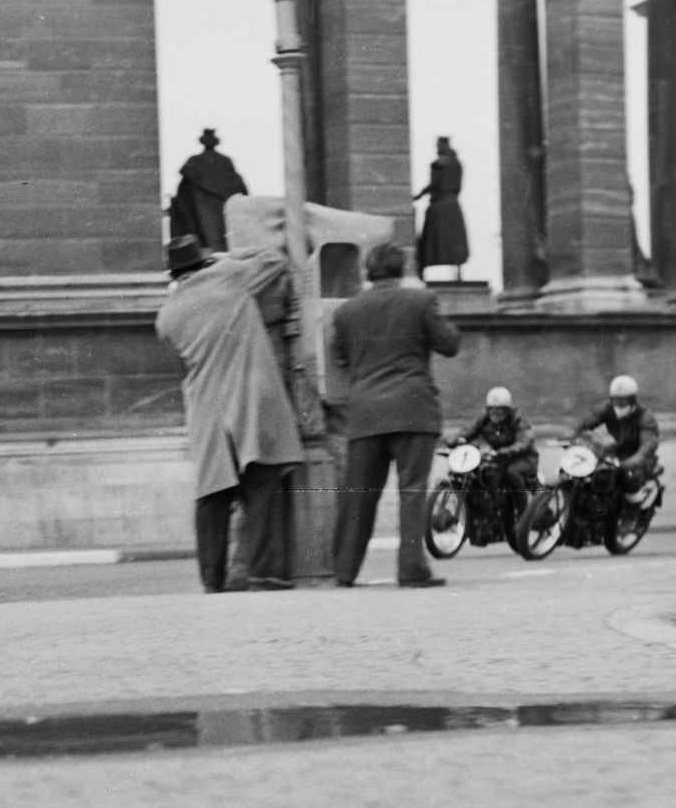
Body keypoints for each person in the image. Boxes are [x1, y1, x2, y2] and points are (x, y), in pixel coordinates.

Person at [155, 233, 305, 593]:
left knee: (212, 494)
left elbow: (177, 346)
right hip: (249, 396)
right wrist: (223, 255)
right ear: (202, 261)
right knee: (262, 484)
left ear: (175, 274)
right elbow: (273, 258)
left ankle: (212, 580)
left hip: (206, 404)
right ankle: (265, 573)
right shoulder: (230, 275)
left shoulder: (167, 315)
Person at [331, 242, 462, 587]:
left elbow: (340, 357)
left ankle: (344, 570)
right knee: (412, 490)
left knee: (358, 493)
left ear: (368, 272)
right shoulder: (421, 301)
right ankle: (411, 569)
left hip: (365, 413)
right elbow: (449, 344)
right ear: (402, 269)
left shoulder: (346, 311)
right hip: (412, 408)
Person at [573, 375, 660, 499]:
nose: (618, 406)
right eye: (615, 401)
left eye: (623, 403)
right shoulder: (607, 407)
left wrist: (633, 462)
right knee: (591, 470)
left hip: (637, 455)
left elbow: (648, 444)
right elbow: (588, 420)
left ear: (632, 401)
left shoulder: (645, 417)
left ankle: (630, 517)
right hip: (617, 450)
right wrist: (571, 431)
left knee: (629, 478)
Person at [445, 386, 538, 498]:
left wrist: (507, 450)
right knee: (477, 472)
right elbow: (470, 429)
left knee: (512, 472)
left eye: (500, 409)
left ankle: (523, 511)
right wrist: (457, 439)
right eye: (491, 409)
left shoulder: (518, 420)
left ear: (507, 410)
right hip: (498, 456)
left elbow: (524, 441)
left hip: (524, 458)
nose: (495, 412)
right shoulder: (484, 419)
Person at [168, 129, 249, 253]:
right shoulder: (225, 161)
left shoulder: (194, 162)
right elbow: (239, 188)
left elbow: (182, 196)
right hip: (222, 211)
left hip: (202, 214)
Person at [414, 136, 469, 279]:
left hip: (439, 205)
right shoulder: (457, 163)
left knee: (432, 240)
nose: (437, 148)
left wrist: (418, 195)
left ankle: (422, 271)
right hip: (453, 204)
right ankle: (458, 271)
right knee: (455, 239)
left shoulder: (438, 164)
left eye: (438, 145)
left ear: (442, 146)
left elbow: (434, 184)